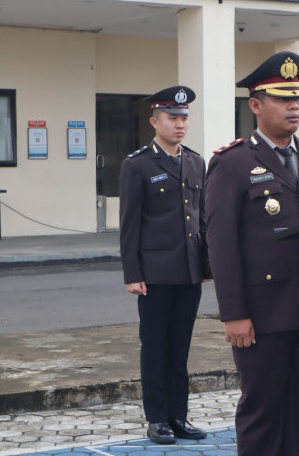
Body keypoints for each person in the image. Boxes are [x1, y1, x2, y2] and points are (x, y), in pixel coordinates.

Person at [204, 51, 299, 456]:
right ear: (255, 105)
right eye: (282, 98)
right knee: (263, 410)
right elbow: (221, 245)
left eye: (297, 98)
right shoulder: (232, 163)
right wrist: (234, 313)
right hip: (264, 311)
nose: (294, 106)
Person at [118, 85, 208, 445]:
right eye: (173, 118)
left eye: (184, 118)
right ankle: (157, 419)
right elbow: (130, 224)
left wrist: (207, 265)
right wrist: (133, 274)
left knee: (180, 348)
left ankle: (178, 416)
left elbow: (201, 220)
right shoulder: (137, 165)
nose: (180, 125)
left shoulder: (196, 161)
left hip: (188, 272)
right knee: (155, 346)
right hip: (154, 274)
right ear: (155, 121)